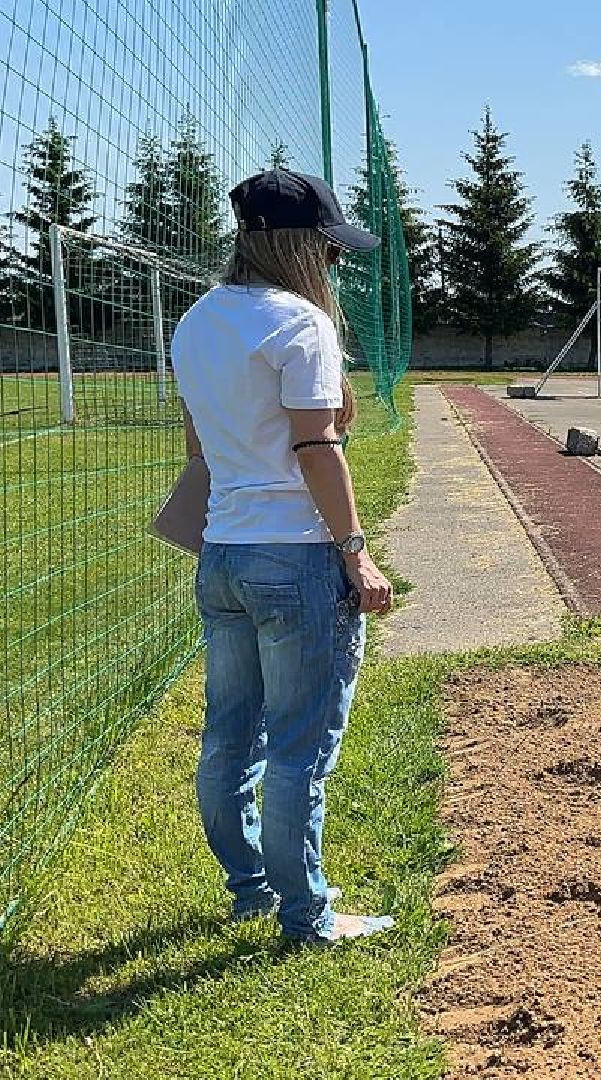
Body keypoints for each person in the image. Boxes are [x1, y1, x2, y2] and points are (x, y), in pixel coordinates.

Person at [170, 168, 395, 944]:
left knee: (230, 735)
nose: (335, 267)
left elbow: (202, 444)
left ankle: (252, 890)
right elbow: (314, 445)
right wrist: (355, 553)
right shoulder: (300, 324)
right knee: (301, 744)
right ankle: (308, 919)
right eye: (330, 251)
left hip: (224, 554)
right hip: (294, 555)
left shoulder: (196, 321)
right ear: (300, 247)